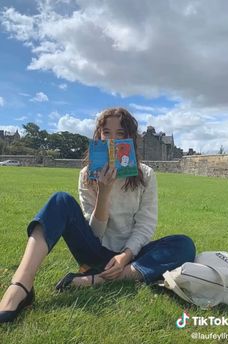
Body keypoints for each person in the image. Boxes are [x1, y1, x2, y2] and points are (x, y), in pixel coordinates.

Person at [0, 107, 196, 323]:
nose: (112, 140)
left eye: (120, 134)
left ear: (130, 138)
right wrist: (104, 194)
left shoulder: (146, 174)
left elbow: (145, 225)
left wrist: (125, 256)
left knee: (184, 244)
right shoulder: (87, 175)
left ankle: (98, 279)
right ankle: (21, 285)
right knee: (59, 200)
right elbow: (94, 232)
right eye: (106, 133)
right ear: (98, 136)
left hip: (131, 257)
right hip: (95, 249)